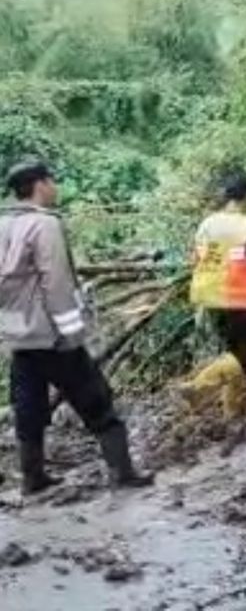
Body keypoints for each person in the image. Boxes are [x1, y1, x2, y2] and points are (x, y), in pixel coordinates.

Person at [0, 161, 153, 494]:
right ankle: (123, 472)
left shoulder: (3, 224)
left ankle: (32, 478)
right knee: (95, 398)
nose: (55, 187)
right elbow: (55, 283)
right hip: (52, 335)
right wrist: (73, 333)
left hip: (17, 334)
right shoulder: (44, 225)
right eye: (52, 181)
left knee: (28, 406)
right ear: (40, 184)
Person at [178, 170, 246, 419]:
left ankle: (233, 414)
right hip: (239, 296)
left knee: (234, 352)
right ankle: (198, 387)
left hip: (209, 296)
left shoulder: (207, 224)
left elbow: (195, 260)